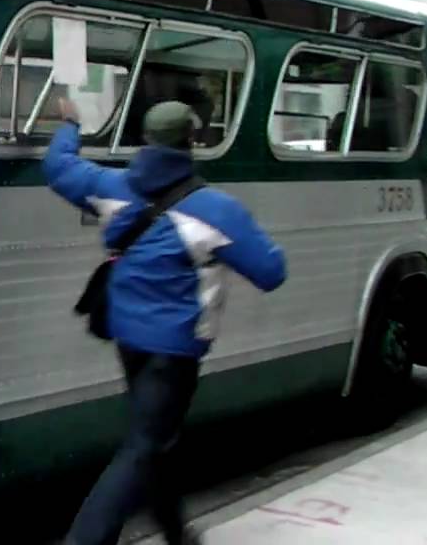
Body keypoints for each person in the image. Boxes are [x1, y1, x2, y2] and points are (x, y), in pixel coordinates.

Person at [44, 99, 288, 545]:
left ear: (147, 140)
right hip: (172, 349)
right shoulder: (216, 209)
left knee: (156, 436)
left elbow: (59, 167)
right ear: (190, 142)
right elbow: (272, 272)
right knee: (144, 444)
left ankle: (176, 532)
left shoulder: (111, 186)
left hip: (126, 337)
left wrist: (71, 124)